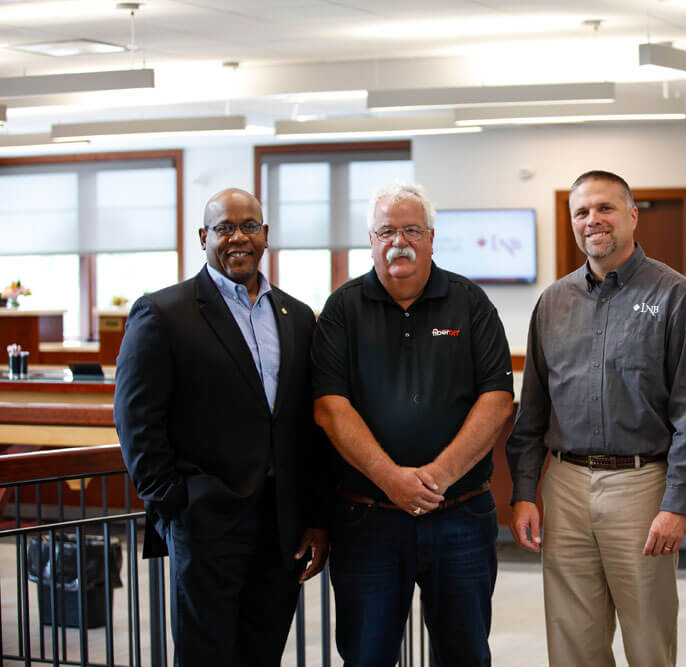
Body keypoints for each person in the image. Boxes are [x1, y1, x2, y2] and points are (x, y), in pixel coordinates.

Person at [506, 170, 686, 667]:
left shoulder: (675, 296)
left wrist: (677, 503)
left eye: (605, 208)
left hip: (641, 487)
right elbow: (532, 409)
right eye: (581, 212)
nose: (593, 220)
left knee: (648, 637)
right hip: (566, 485)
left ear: (632, 216)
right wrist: (523, 491)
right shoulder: (553, 302)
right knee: (572, 640)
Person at [114, 188, 329, 667]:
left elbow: (305, 427)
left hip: (282, 529)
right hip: (205, 521)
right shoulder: (164, 313)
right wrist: (174, 504)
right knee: (205, 655)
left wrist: (314, 515)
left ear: (265, 235)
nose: (238, 237)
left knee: (263, 651)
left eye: (249, 226)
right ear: (203, 236)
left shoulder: (296, 317)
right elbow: (136, 418)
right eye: (224, 227)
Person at [311, 181, 514, 667]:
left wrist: (436, 479)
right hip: (369, 521)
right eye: (385, 231)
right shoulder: (341, 309)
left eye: (410, 229)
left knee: (464, 653)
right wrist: (392, 480)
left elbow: (498, 400)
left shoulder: (470, 303)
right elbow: (329, 407)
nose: (398, 240)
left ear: (431, 236)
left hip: (460, 517)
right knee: (367, 654)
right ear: (371, 239)